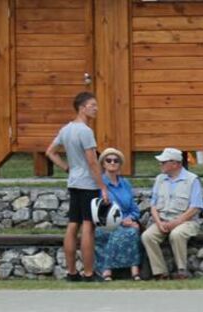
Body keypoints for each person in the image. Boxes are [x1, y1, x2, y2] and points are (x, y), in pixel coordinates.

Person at [45, 91, 109, 282]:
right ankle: (88, 273)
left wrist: (67, 168)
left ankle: (72, 272)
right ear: (82, 108)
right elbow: (92, 161)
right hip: (88, 184)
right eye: (92, 105)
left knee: (73, 225)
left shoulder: (66, 129)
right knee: (88, 226)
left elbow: (50, 152)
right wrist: (102, 186)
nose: (96, 109)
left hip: (74, 182)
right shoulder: (85, 131)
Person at [142, 147, 203, 280]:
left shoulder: (192, 180)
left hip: (186, 222)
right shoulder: (160, 179)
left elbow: (195, 207)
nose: (160, 164)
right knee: (147, 236)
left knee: (177, 234)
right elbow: (153, 205)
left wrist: (175, 223)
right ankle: (160, 272)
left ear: (175, 164)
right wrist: (159, 222)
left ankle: (182, 270)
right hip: (163, 220)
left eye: (163, 162)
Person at [94, 147, 142, 280]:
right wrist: (121, 221)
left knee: (132, 231)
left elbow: (134, 210)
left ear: (120, 164)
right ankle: (107, 270)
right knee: (120, 232)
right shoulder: (99, 184)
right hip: (105, 223)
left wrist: (130, 219)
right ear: (103, 164)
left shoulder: (125, 184)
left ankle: (134, 271)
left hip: (127, 222)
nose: (112, 163)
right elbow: (98, 210)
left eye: (116, 160)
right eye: (108, 160)